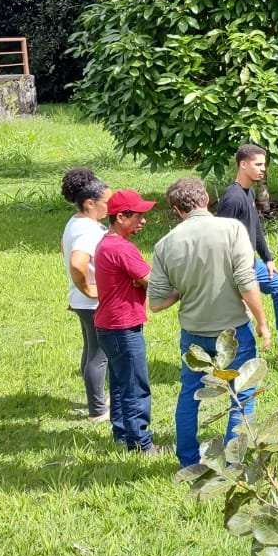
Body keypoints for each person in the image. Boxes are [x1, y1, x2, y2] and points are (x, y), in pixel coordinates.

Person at [148, 176, 271, 468]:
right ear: (206, 199)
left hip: (193, 332)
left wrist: (184, 289)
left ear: (177, 210)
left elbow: (156, 303)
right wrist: (262, 321)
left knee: (190, 396)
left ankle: (188, 461)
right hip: (233, 332)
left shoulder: (165, 244)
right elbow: (245, 280)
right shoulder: (231, 229)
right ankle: (233, 462)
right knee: (242, 396)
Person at [93, 189, 158, 454]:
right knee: (135, 387)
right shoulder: (122, 248)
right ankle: (141, 445)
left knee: (120, 384)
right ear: (121, 217)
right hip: (123, 326)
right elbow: (153, 281)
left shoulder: (106, 243)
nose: (143, 221)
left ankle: (122, 436)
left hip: (107, 325)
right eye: (139, 216)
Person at [216, 143, 278, 360]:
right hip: (236, 268)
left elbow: (255, 228)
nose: (263, 169)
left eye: (264, 165)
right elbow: (221, 240)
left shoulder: (248, 191)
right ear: (243, 165)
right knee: (242, 313)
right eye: (258, 164)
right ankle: (239, 356)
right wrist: (234, 280)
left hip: (253, 263)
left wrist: (268, 259)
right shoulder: (232, 199)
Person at [60, 167, 110, 422]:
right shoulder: (88, 230)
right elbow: (78, 262)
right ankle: (98, 410)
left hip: (82, 300)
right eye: (106, 203)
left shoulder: (76, 222)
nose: (109, 208)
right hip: (91, 302)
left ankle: (96, 400)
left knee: (91, 350)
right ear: (90, 203)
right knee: (99, 355)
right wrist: (89, 289)